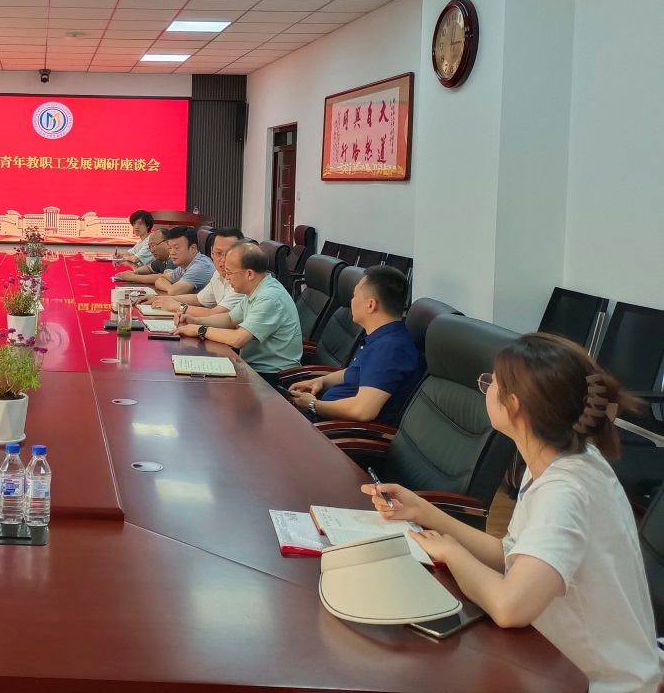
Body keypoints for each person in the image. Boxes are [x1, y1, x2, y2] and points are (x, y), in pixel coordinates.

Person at [365, 334, 660, 693]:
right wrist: (425, 512)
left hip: (598, 683)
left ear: (514, 405)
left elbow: (509, 607)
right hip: (556, 661)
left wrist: (452, 552)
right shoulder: (560, 459)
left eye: (491, 381)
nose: (485, 387)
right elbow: (512, 555)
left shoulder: (564, 491)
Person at [287, 265, 420, 425]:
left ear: (370, 305)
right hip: (326, 420)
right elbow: (355, 371)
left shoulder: (389, 348)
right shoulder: (381, 337)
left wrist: (313, 405)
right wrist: (321, 381)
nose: (351, 301)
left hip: (336, 432)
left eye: (355, 295)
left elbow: (362, 411)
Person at [176, 242, 302, 381]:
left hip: (272, 376)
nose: (227, 277)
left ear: (249, 274)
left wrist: (200, 329)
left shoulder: (269, 297)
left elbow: (238, 339)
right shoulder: (256, 289)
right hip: (252, 367)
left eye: (230, 272)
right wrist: (195, 320)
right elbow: (230, 319)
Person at [143, 228, 246, 317]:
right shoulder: (218, 273)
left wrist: (176, 306)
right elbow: (198, 299)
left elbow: (217, 314)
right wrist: (160, 299)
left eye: (229, 254)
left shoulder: (242, 281)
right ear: (212, 252)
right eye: (219, 253)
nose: (223, 260)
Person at [151, 225, 214, 295]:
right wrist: (170, 288)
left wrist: (171, 289)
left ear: (192, 248)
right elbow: (161, 279)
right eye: (170, 248)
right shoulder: (185, 264)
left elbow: (174, 292)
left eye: (177, 248)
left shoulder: (200, 267)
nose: (172, 253)